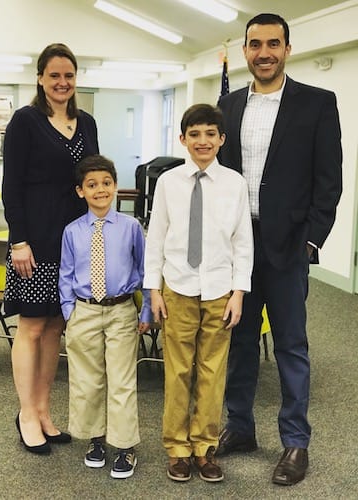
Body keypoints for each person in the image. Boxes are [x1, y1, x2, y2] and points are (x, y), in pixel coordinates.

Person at [215, 13, 343, 486]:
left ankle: (295, 442)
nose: (263, 52)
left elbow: (328, 182)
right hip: (236, 248)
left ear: (288, 48)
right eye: (254, 44)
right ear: (245, 50)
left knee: (290, 345)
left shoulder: (317, 104)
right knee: (240, 342)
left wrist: (310, 240)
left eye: (273, 43)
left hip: (288, 248)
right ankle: (241, 427)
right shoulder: (226, 106)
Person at [144, 104, 253, 483]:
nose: (202, 141)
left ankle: (204, 448)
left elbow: (243, 242)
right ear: (183, 140)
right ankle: (177, 447)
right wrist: (153, 290)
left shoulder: (235, 184)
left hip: (221, 290)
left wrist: (239, 291)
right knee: (177, 371)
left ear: (221, 140)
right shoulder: (168, 182)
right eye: (195, 134)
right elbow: (155, 237)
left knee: (212, 372)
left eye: (210, 134)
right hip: (177, 287)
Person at [2, 43, 99, 454]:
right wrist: (18, 240)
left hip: (74, 242)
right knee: (32, 326)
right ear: (40, 77)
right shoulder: (25, 121)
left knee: (57, 327)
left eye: (69, 75)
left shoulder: (87, 121)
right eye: (54, 75)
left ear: (76, 79)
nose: (62, 82)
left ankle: (43, 410)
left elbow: (94, 177)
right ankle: (26, 412)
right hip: (35, 241)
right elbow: (12, 185)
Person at [59, 154, 151, 479]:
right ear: (80, 191)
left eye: (107, 183)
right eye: (92, 185)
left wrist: (147, 308)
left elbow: (145, 270)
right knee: (87, 380)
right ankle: (95, 439)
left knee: (122, 380)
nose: (101, 190)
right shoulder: (72, 231)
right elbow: (66, 274)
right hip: (83, 310)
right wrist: (70, 312)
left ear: (115, 187)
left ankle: (124, 445)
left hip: (121, 311)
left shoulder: (131, 227)